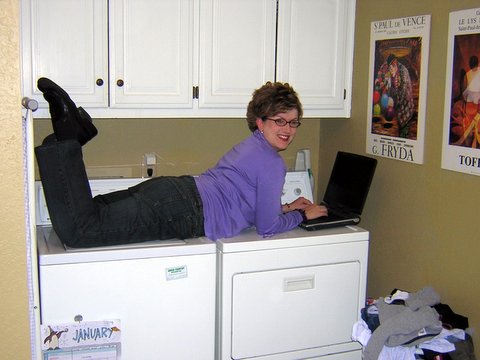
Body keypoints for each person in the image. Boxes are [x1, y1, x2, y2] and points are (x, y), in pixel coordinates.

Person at [35, 78, 328, 248]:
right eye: (280, 121)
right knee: (79, 230)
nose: (288, 130)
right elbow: (266, 228)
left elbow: (247, 201)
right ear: (261, 121)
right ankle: (66, 136)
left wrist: (287, 207)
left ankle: (73, 136)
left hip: (174, 192)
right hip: (183, 212)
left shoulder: (252, 145)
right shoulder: (272, 163)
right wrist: (303, 216)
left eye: (293, 122)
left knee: (91, 212)